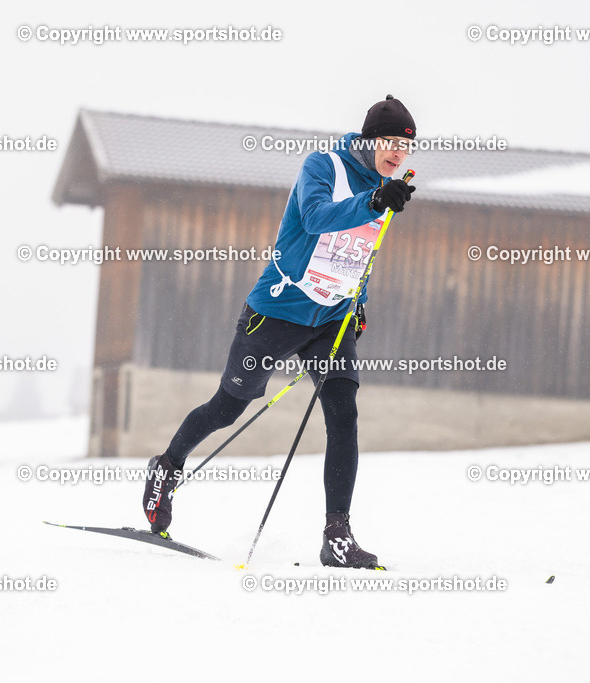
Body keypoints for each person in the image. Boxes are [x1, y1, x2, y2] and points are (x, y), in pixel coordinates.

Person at [143, 95, 417, 568]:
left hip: (331, 319)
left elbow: (358, 255)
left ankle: (337, 534)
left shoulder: (388, 188)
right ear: (371, 140)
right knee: (228, 407)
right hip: (277, 311)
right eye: (391, 141)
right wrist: (372, 201)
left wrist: (360, 306)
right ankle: (166, 467)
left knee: (343, 413)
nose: (398, 152)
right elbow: (314, 219)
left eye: (407, 146)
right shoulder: (324, 166)